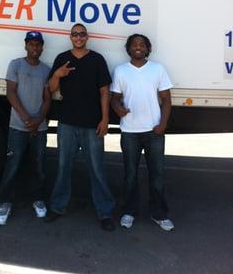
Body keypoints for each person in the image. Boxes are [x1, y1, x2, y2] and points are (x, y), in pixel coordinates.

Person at [45, 23, 115, 231]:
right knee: (63, 167)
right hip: (67, 123)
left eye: (81, 34)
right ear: (70, 37)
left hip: (92, 125)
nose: (78, 37)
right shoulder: (61, 58)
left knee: (97, 169)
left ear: (87, 37)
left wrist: (105, 119)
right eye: (75, 34)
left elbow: (105, 92)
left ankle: (105, 212)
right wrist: (57, 75)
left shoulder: (97, 60)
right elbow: (51, 89)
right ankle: (57, 207)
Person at [111, 34, 174, 231]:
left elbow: (166, 100)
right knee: (130, 175)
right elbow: (114, 98)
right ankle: (129, 212)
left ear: (148, 49)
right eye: (134, 44)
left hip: (154, 131)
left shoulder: (157, 69)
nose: (138, 47)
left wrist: (162, 124)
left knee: (157, 175)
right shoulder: (121, 71)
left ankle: (160, 214)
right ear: (128, 49)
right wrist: (117, 109)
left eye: (142, 44)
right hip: (129, 132)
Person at [0, 31, 51, 225]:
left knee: (39, 166)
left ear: (42, 48)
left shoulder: (46, 70)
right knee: (12, 166)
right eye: (31, 44)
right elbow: (11, 93)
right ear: (26, 46)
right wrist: (27, 119)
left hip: (39, 127)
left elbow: (47, 99)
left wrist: (38, 120)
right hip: (18, 126)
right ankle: (4, 203)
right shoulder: (16, 64)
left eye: (38, 45)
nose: (35, 48)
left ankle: (38, 199)